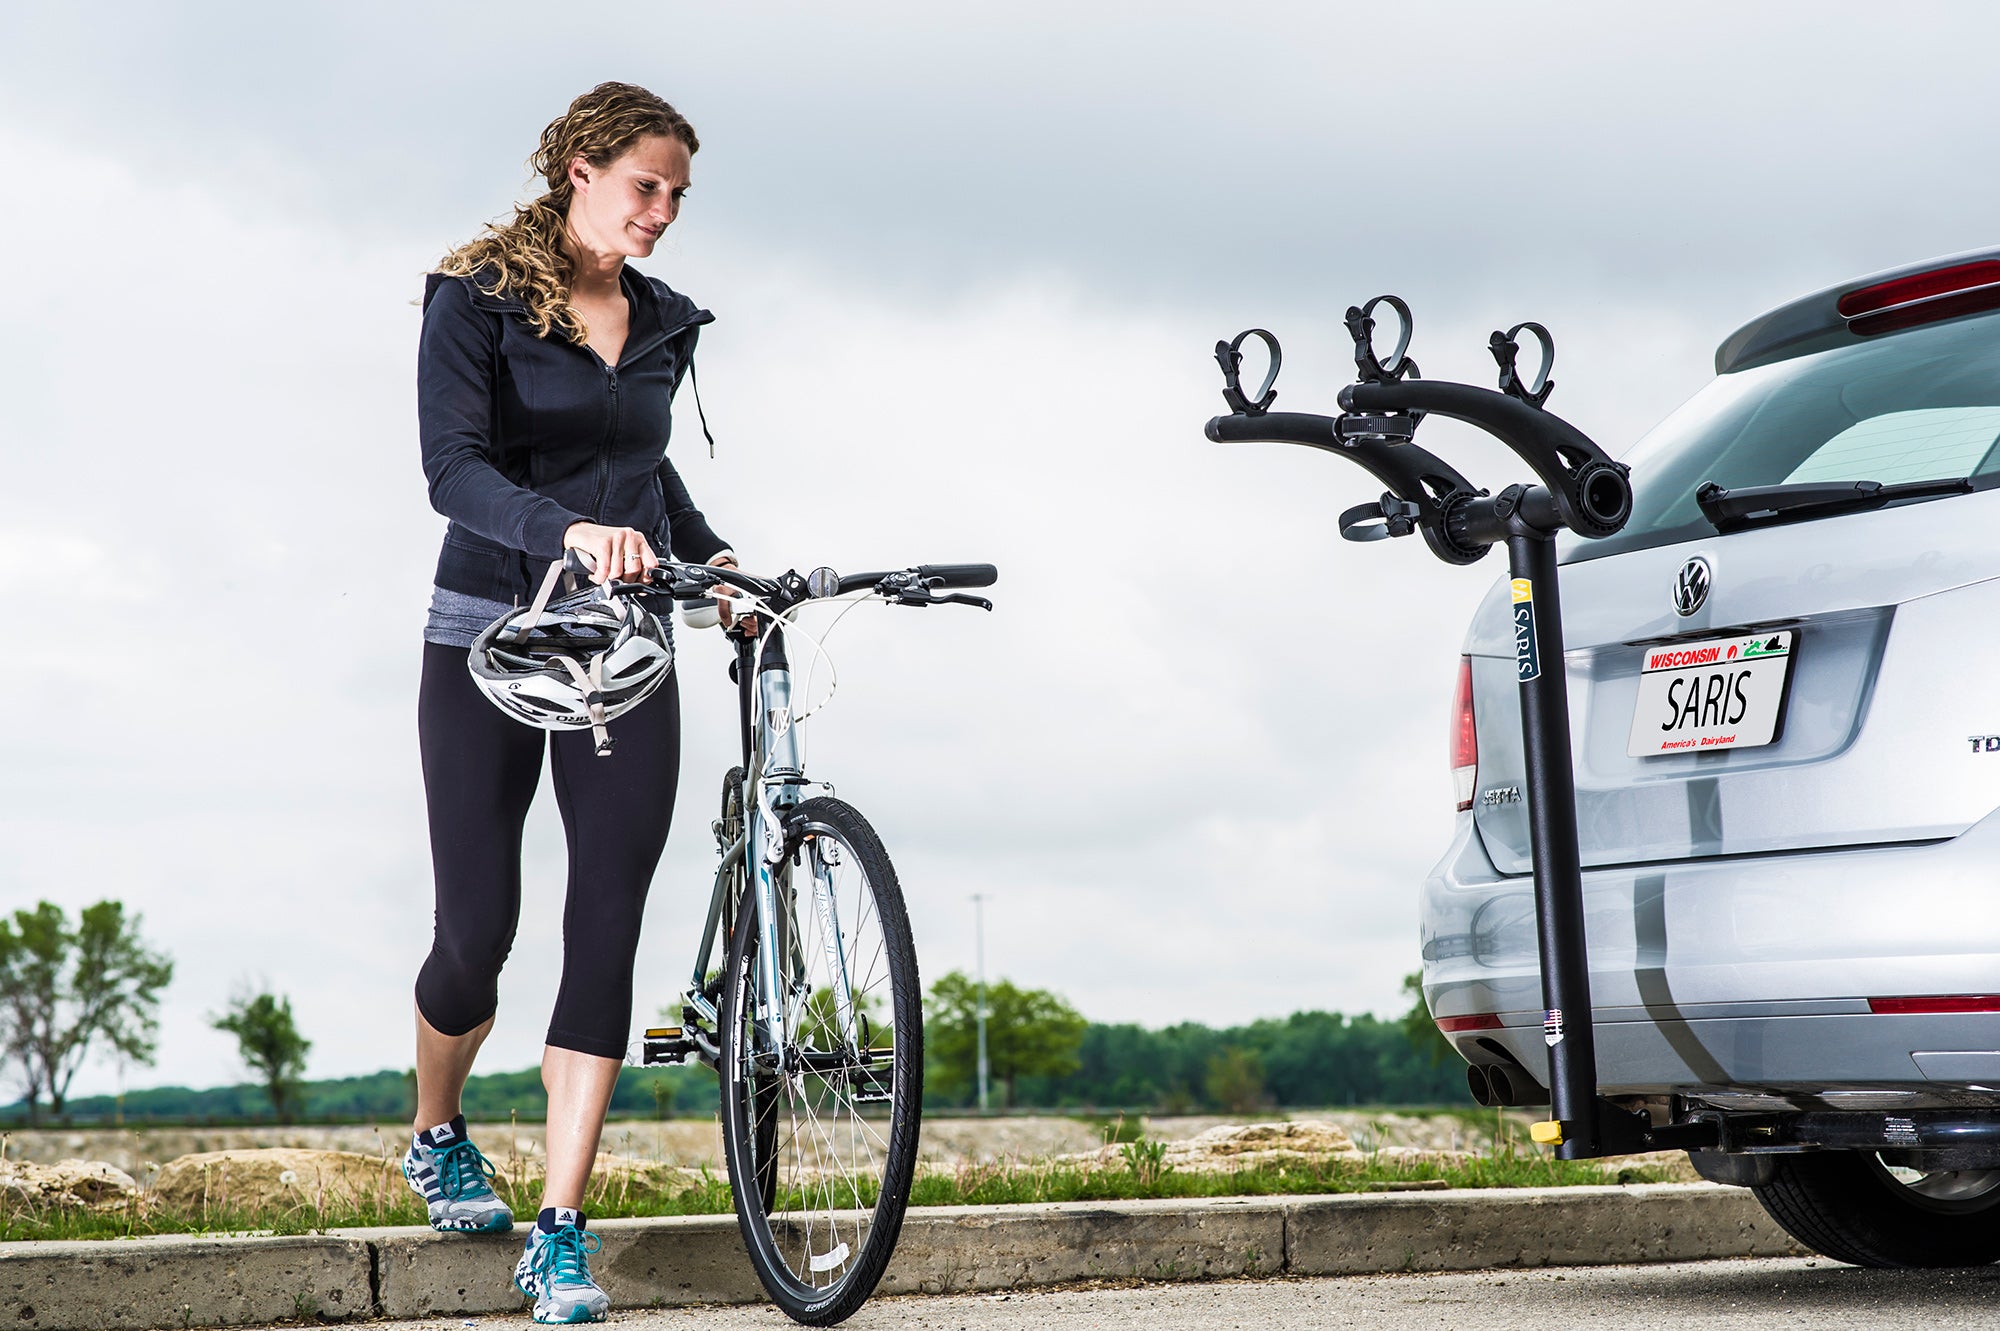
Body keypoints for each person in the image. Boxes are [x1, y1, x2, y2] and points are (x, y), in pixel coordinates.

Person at [404, 81, 738, 1326]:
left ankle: (557, 1228)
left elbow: (650, 474)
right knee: (476, 930)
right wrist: (567, 531)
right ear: (580, 168)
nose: (661, 213)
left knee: (604, 920)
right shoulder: (473, 296)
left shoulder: (661, 319)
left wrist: (721, 568)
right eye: (645, 185)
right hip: (486, 635)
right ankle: (435, 1125)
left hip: (622, 650)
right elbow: (453, 470)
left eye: (677, 196)